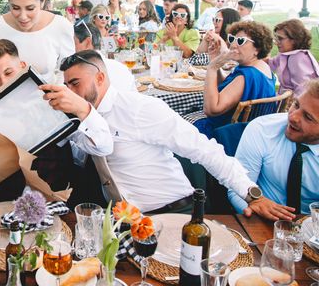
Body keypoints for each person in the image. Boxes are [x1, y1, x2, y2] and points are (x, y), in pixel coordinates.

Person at [51, 50, 259, 213]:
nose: (70, 91)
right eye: (66, 85)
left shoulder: (139, 108)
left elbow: (203, 149)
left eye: (75, 84)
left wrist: (250, 194)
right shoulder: (80, 117)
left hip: (172, 211)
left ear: (100, 78)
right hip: (126, 219)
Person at [0, 40, 112, 205]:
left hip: (57, 199)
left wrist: (83, 109)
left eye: (9, 72)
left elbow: (103, 146)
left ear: (23, 66)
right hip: (6, 201)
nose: (4, 83)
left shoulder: (54, 100)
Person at [228, 79, 319, 220]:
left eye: (308, 117)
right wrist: (254, 210)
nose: (293, 117)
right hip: (262, 223)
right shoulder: (262, 129)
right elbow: (237, 189)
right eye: (296, 104)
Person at [0, 0, 75, 102]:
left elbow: (69, 70)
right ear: (9, 1)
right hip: (5, 103)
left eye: (30, 8)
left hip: (49, 104)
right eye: (15, 8)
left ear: (42, 0)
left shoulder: (61, 26)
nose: (23, 16)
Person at [193, 21, 276, 137]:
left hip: (223, 133)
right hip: (250, 130)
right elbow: (229, 85)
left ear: (257, 48)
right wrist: (215, 63)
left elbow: (211, 109)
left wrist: (211, 68)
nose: (233, 45)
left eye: (241, 41)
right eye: (232, 39)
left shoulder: (246, 76)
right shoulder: (260, 66)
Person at [73, 21, 136, 92]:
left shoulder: (81, 75)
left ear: (88, 42)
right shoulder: (121, 68)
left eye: (73, 43)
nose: (71, 48)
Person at [267, 19, 319, 96]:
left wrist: (293, 106)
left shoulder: (297, 58)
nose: (276, 42)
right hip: (285, 98)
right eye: (276, 38)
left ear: (294, 40)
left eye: (280, 39)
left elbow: (302, 89)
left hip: (295, 102)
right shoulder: (286, 54)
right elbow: (271, 63)